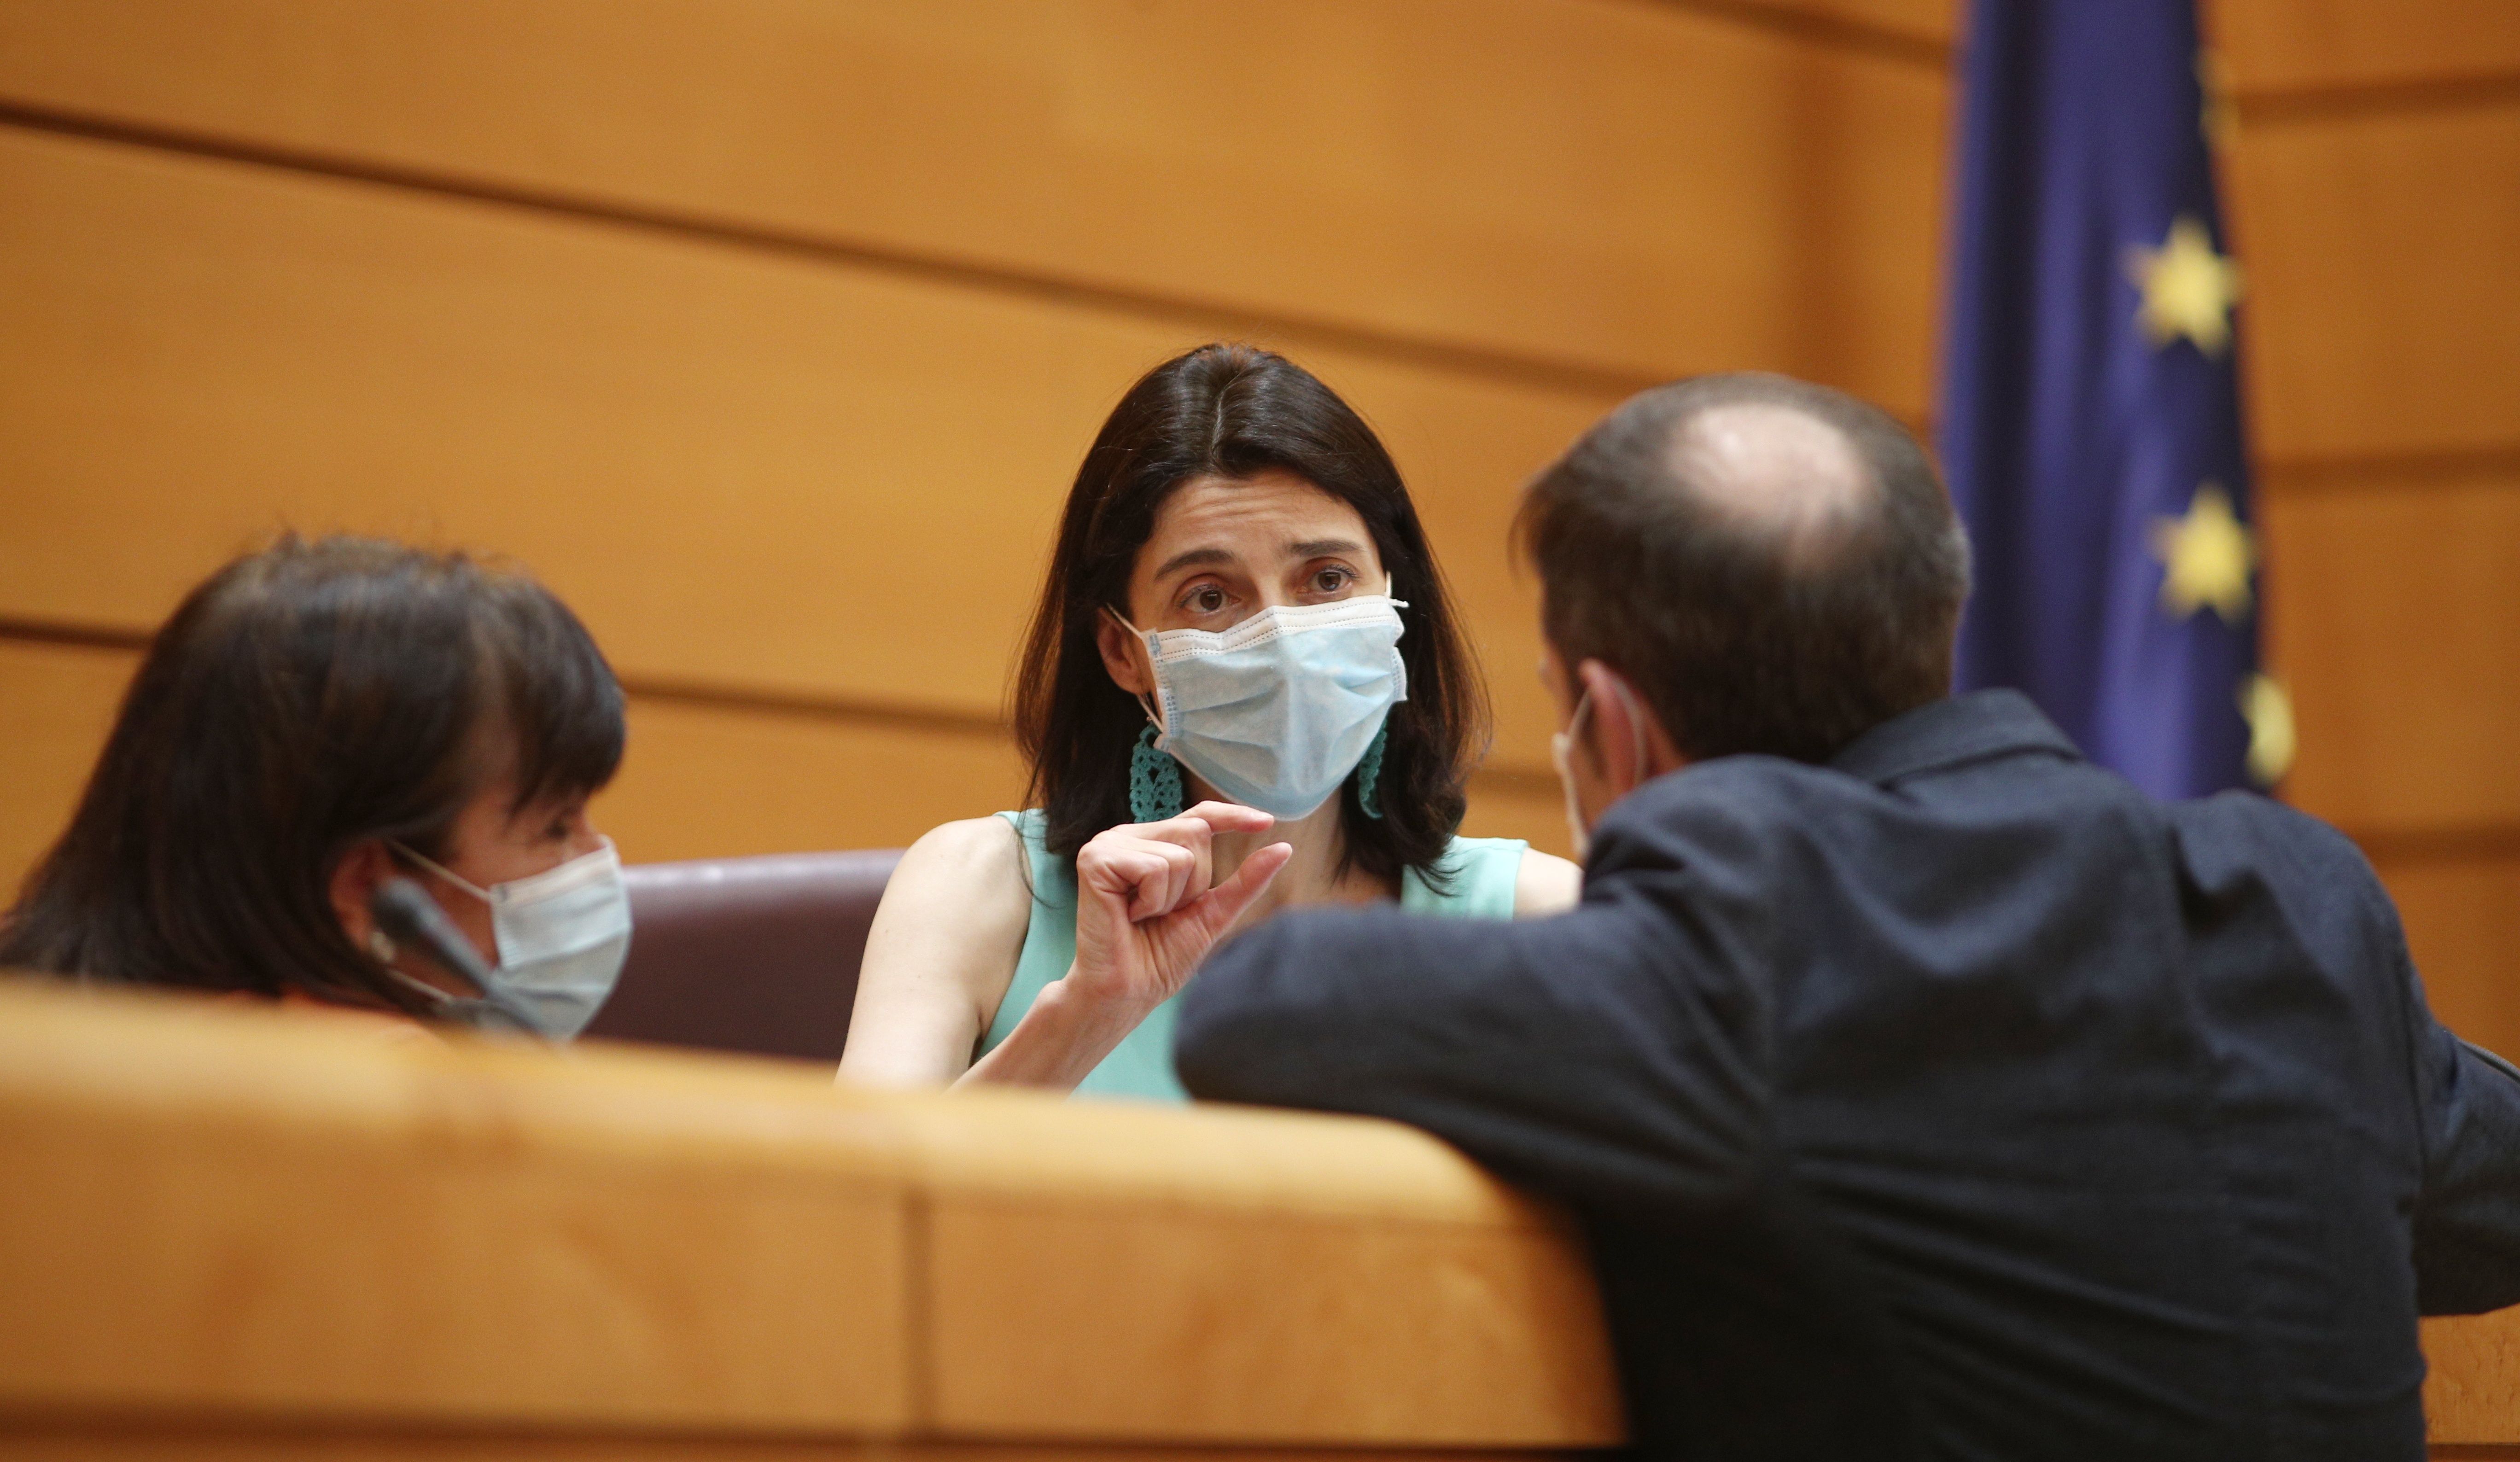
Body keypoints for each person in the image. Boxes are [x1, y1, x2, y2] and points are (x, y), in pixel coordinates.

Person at [1162, 373, 2520, 1460]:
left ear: (1615, 733)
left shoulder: (1747, 944)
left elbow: (1264, 1006)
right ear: (1931, 623)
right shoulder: (2299, 903)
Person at [840, 343, 1580, 1099]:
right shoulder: (978, 889)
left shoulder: (1545, 926)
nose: (1283, 640)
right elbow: (843, 1208)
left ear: (1393, 603)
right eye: (1210, 596)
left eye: (1327, 579)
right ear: (1124, 651)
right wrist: (1086, 1018)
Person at [0, 534, 634, 1039]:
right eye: (555, 828)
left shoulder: (41, 1029)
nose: (597, 859)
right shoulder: (381, 1101)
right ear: (367, 886)